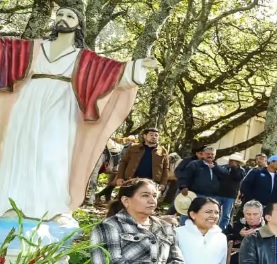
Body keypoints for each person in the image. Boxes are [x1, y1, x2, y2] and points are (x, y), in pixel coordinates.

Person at [0, 5, 158, 221]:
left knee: (53, 155)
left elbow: (111, 71)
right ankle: (12, 202)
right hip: (28, 102)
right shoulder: (35, 47)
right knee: (20, 150)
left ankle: (52, 206)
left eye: (69, 16)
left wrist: (138, 66)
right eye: (61, 15)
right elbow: (7, 50)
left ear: (79, 24)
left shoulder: (83, 57)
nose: (63, 18)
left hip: (63, 105)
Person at [224, 200, 264, 264]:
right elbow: (223, 238)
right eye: (248, 214)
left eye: (255, 214)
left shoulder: (269, 228)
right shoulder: (235, 225)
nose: (251, 217)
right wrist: (239, 235)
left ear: (261, 214)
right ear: (244, 213)